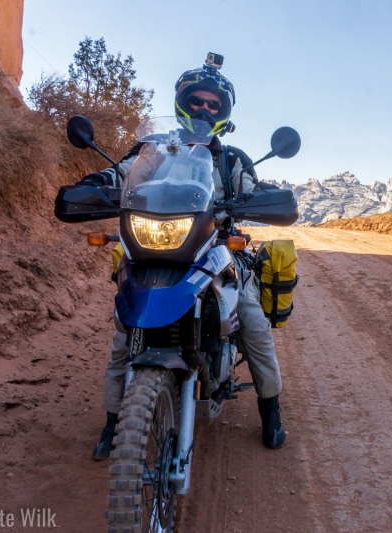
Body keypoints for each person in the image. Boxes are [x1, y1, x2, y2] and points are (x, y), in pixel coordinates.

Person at [83, 60, 287, 460]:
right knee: (126, 332)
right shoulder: (154, 150)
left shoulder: (232, 160)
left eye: (214, 105)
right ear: (181, 104)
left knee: (250, 321)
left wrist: (266, 196)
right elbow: (120, 173)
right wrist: (97, 183)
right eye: (196, 101)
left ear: (224, 113)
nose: (204, 110)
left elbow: (253, 189)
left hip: (215, 249)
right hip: (153, 246)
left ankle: (271, 408)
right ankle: (113, 420)